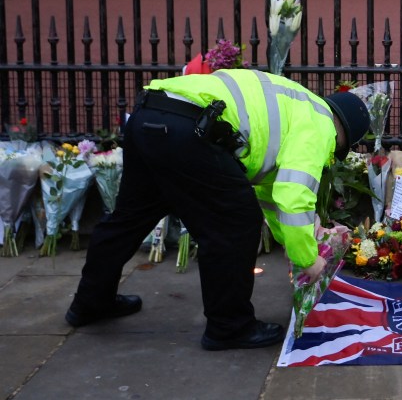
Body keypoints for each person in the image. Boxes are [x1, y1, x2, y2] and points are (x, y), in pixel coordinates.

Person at [65, 69, 371, 351]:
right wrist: (308, 259)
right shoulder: (319, 126)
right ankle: (229, 326)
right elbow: (293, 197)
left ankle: (90, 302)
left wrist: (292, 242)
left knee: (129, 218)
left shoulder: (298, 103)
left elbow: (271, 194)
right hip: (190, 130)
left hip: (149, 114)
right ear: (343, 135)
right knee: (235, 223)